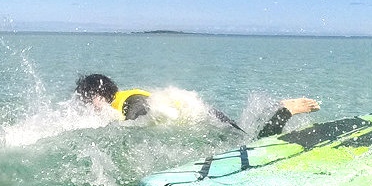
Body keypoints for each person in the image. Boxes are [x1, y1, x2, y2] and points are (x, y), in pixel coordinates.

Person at [74, 73, 319, 139]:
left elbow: (142, 107)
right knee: (248, 142)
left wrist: (129, 127)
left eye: (87, 100)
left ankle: (285, 110)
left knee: (252, 147)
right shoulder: (119, 103)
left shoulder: (127, 101)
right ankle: (277, 112)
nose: (87, 106)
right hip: (203, 117)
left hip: (206, 119)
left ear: (97, 95)